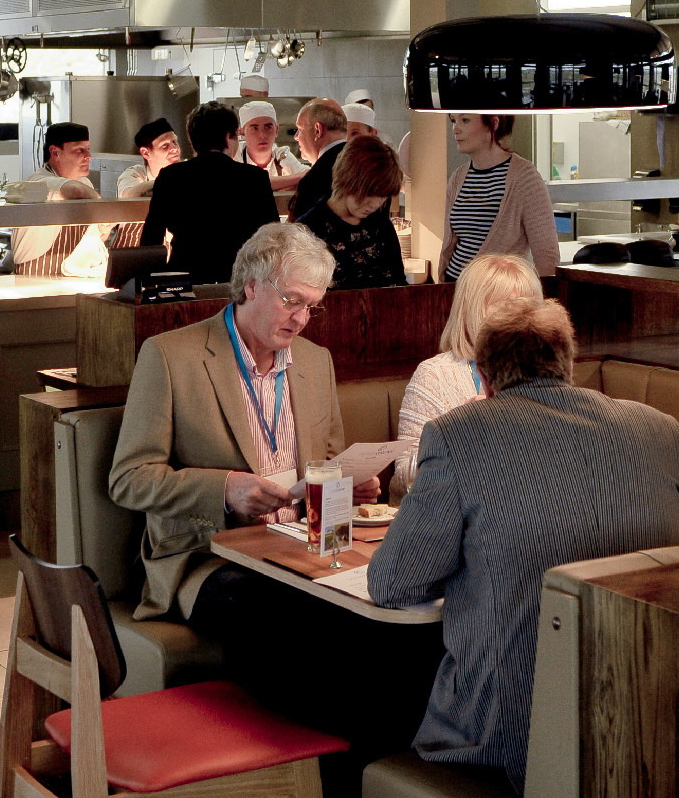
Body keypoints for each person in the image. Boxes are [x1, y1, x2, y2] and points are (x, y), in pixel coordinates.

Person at [368, 298, 679, 792]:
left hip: (507, 738)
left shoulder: (458, 435)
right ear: (571, 364)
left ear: (483, 377)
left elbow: (392, 582)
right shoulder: (659, 429)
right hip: (650, 724)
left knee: (377, 673)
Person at [108, 222, 377, 620]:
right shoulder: (170, 356)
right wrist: (225, 488)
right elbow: (128, 480)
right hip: (210, 558)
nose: (302, 318)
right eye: (291, 301)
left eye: (312, 306)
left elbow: (328, 464)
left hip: (306, 547)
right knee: (285, 608)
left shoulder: (315, 361)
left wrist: (346, 487)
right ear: (252, 285)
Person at [391, 252, 544, 496]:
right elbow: (404, 476)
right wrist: (464, 430)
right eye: (505, 306)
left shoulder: (547, 372)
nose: (519, 319)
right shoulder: (436, 375)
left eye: (527, 308)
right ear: (471, 308)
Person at [139, 100, 278, 284]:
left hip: (184, 281)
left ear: (191, 139)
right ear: (229, 137)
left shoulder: (171, 177)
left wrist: (150, 286)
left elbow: (151, 240)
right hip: (238, 282)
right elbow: (272, 237)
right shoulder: (254, 178)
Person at [440, 112, 558, 282]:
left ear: (493, 124)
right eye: (453, 121)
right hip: (454, 286)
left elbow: (547, 253)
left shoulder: (524, 177)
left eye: (465, 120)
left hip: (497, 292)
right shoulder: (458, 177)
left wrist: (543, 300)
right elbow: (450, 244)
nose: (455, 129)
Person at [300, 134, 405, 289]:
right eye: (369, 193)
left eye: (382, 196)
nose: (375, 204)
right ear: (347, 180)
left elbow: (400, 284)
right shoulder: (308, 230)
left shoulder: (381, 226)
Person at [11, 121, 106, 277]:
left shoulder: (84, 183)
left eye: (88, 149)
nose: (88, 156)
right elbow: (74, 191)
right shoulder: (38, 182)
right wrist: (104, 210)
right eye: (79, 150)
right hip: (35, 278)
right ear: (55, 152)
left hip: (71, 276)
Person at [289, 98, 348, 221]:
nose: (296, 137)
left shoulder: (313, 179)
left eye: (300, 129)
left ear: (317, 130)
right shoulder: (369, 163)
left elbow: (295, 235)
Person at [237, 98, 306, 189]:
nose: (262, 135)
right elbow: (253, 182)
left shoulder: (282, 154)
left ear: (276, 130)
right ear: (242, 133)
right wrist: (295, 180)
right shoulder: (235, 156)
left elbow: (309, 175)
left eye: (268, 127)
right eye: (254, 128)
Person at [115, 118, 182, 199]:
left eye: (174, 142)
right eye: (165, 145)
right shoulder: (136, 174)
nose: (174, 148)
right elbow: (129, 196)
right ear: (146, 153)